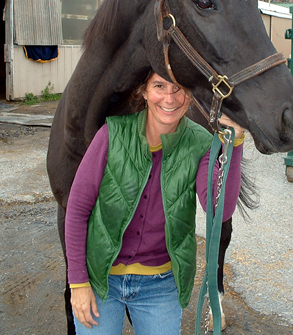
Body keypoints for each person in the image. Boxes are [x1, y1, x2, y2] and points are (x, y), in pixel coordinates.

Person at [65, 71, 245, 334]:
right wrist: (78, 283)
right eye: (159, 86)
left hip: (159, 286)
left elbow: (220, 210)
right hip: (102, 279)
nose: (169, 98)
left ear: (190, 95)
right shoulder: (111, 134)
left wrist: (235, 142)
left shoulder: (201, 143)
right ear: (145, 92)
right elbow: (77, 210)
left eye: (179, 88)